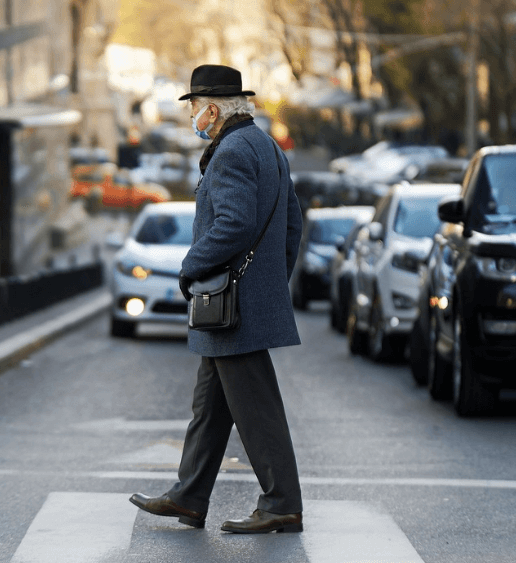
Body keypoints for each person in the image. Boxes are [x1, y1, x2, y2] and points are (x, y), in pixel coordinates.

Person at [129, 64, 305, 534]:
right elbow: (293, 224)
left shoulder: (229, 151)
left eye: (194, 107)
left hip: (231, 306)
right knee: (210, 406)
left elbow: (233, 223)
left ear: (212, 108)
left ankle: (282, 504)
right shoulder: (267, 146)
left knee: (257, 409)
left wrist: (191, 267)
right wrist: (271, 281)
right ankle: (189, 497)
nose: (193, 116)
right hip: (246, 301)